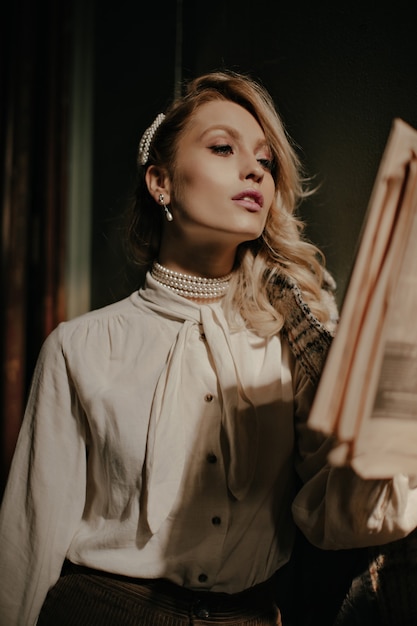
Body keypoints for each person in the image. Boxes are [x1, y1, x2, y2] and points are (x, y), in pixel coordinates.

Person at [1, 69, 417, 626]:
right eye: (223, 148)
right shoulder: (80, 347)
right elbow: (27, 543)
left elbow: (331, 516)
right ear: (161, 182)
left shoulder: (288, 340)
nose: (254, 170)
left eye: (266, 162)